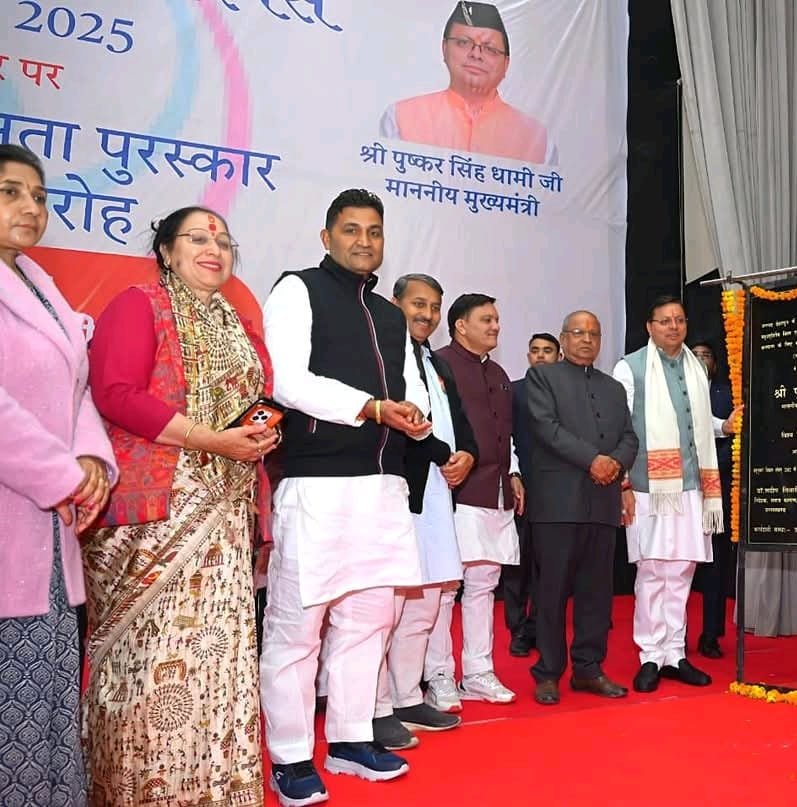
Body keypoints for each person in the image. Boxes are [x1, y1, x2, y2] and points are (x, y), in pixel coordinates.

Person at [84, 205, 276, 806]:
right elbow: (116, 393)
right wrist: (210, 439)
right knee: (153, 663)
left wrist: (258, 435)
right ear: (166, 251)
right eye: (197, 238)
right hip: (157, 514)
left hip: (226, 509)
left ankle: (216, 791)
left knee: (217, 659)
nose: (214, 248)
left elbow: (256, 400)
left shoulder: (237, 322)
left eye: (223, 240)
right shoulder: (138, 304)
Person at [259, 189, 431, 805]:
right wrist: (371, 408)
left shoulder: (388, 313)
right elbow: (286, 379)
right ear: (326, 236)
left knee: (369, 619)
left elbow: (409, 385)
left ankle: (352, 739)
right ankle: (289, 755)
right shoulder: (297, 288)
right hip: (318, 484)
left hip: (382, 486)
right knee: (297, 627)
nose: (364, 241)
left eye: (374, 231)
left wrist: (416, 416)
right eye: (352, 229)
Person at [0, 144, 116, 807]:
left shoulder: (41, 285)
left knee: (47, 696)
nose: (30, 207)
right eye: (11, 192)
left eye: (39, 196)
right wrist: (62, 475)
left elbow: (77, 391)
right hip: (18, 509)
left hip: (50, 529)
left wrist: (93, 461)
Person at [369, 273, 478, 750]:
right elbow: (398, 422)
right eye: (418, 304)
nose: (427, 315)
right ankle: (374, 707)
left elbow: (461, 422)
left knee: (427, 601)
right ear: (395, 305)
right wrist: (443, 453)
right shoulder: (380, 355)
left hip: (436, 494)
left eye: (434, 307)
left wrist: (467, 454)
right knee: (387, 607)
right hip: (399, 489)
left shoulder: (436, 362)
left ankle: (408, 696)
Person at [614, 296, 728, 693]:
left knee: (681, 571)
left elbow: (696, 421)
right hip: (648, 487)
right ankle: (650, 655)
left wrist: (724, 426)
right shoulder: (629, 368)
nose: (673, 327)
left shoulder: (696, 367)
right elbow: (618, 428)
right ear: (649, 327)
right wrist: (623, 484)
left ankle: (675, 653)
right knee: (652, 570)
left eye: (679, 320)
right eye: (664, 321)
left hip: (692, 487)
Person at [527, 312, 638, 704]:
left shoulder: (613, 387)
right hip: (558, 503)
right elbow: (546, 428)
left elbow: (629, 437)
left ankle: (589, 669)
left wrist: (615, 463)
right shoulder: (543, 378)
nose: (587, 340)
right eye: (578, 333)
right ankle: (548, 672)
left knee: (597, 594)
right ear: (563, 338)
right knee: (552, 592)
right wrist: (593, 460)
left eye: (594, 333)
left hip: (602, 503)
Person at [431, 293, 524, 705]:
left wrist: (515, 473)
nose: (495, 326)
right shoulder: (439, 364)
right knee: (445, 587)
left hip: (496, 491)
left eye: (497, 319)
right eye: (486, 319)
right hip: (456, 490)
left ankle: (478, 671)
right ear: (460, 325)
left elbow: (506, 433)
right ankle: (438, 675)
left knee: (484, 584)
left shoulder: (499, 372)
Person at [379, 1, 557, 165]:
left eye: (490, 49)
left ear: (506, 64)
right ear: (444, 48)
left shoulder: (538, 140)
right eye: (464, 43)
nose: (476, 54)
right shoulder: (400, 118)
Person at [504, 331, 561, 657]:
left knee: (548, 565)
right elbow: (505, 437)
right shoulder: (514, 392)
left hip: (557, 493)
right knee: (518, 564)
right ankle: (518, 630)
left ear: (559, 356)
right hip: (522, 489)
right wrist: (514, 474)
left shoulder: (567, 394)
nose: (540, 355)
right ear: (528, 356)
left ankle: (539, 627)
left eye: (547, 350)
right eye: (535, 350)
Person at [689, 340, 741, 658]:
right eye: (694, 355)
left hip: (718, 486)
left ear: (715, 363)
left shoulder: (726, 394)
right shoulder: (675, 389)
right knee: (677, 563)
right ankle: (673, 636)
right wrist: (723, 427)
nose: (700, 360)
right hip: (681, 485)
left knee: (716, 562)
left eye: (706, 356)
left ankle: (711, 634)